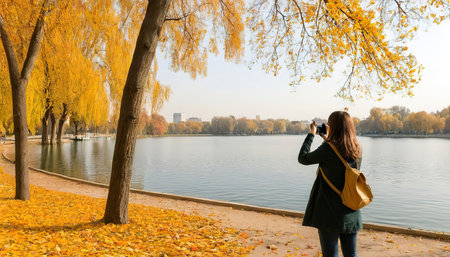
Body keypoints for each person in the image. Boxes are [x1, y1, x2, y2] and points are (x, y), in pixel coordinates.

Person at [298, 111, 362, 257]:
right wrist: (327, 139)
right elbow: (341, 165)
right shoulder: (357, 149)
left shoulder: (327, 149)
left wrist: (311, 135)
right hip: (351, 209)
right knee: (351, 253)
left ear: (332, 126)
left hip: (329, 213)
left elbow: (303, 158)